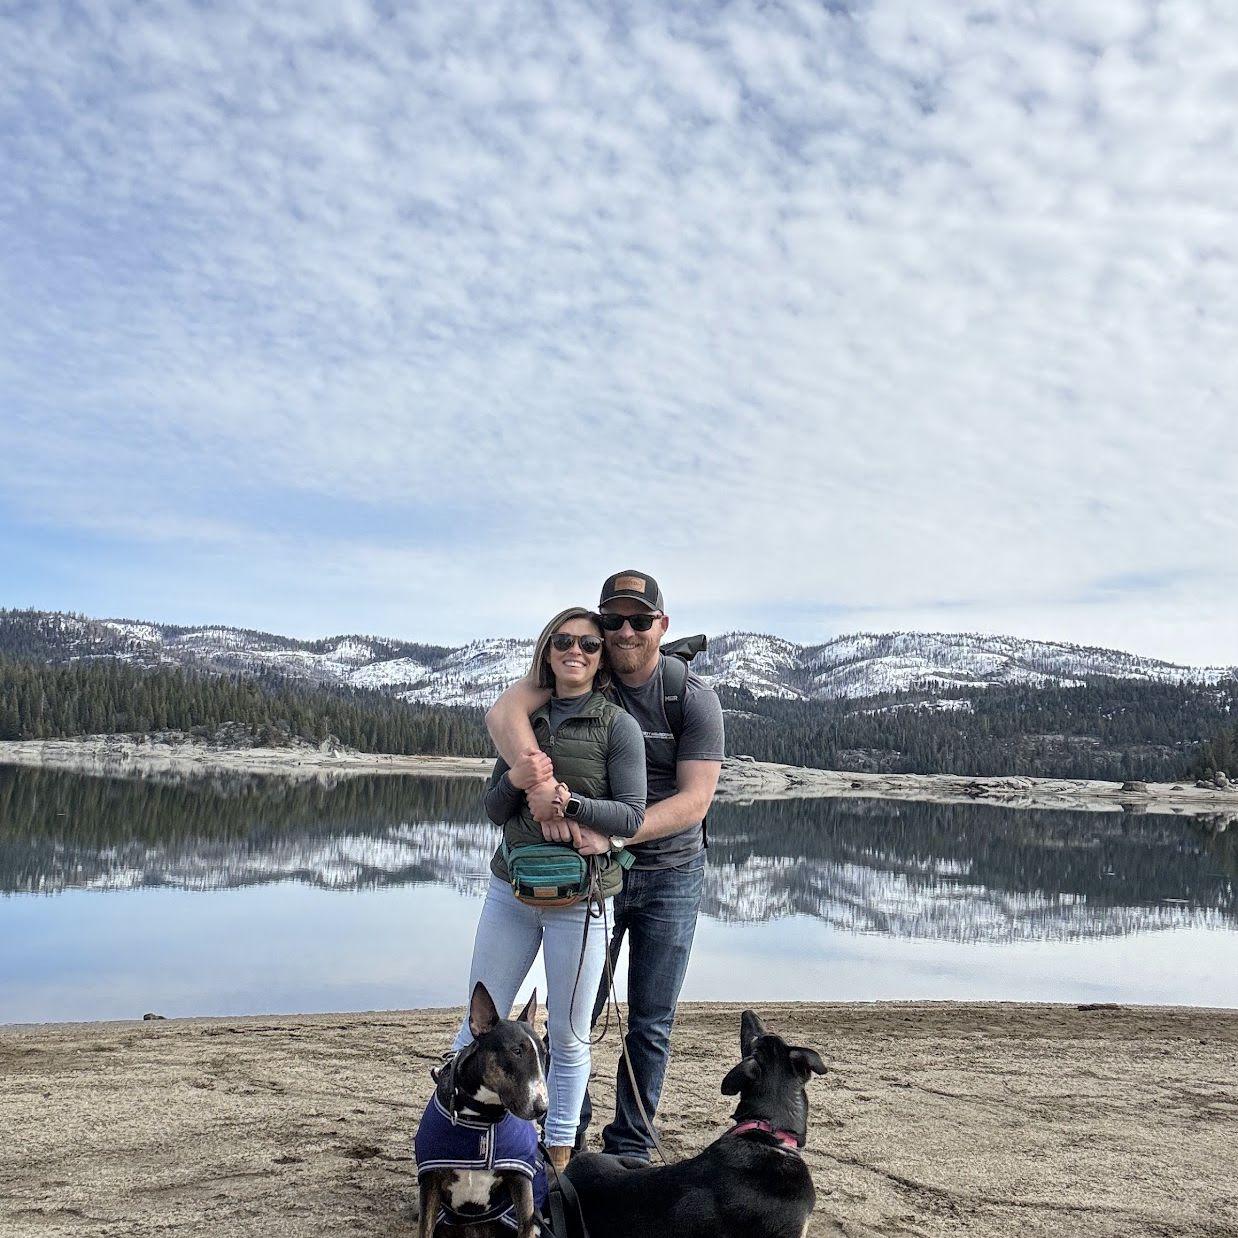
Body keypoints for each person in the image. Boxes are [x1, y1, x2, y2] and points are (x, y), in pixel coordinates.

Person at [486, 571, 725, 1161]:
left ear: (661, 626)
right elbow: (505, 712)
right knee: (578, 1014)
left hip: (671, 873)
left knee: (650, 1019)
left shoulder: (691, 699)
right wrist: (537, 786)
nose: (624, 632)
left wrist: (611, 833)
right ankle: (567, 1136)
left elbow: (695, 801)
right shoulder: (587, 674)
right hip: (593, 877)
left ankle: (631, 1148)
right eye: (612, 620)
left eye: (639, 620)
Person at [450, 606, 647, 1174]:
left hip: (581, 903)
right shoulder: (524, 723)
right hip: (510, 892)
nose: (575, 651)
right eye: (563, 641)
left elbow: (631, 816)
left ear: (601, 656)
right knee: (475, 1025)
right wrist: (518, 777)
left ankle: (557, 1157)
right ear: (547, 650)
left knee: (568, 1034)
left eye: (588, 643)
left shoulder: (617, 727)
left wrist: (572, 804)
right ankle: (458, 1140)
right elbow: (494, 809)